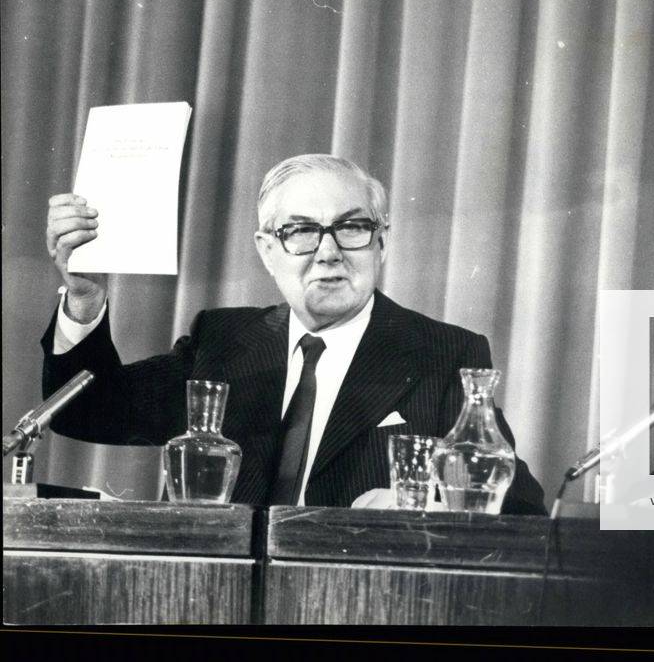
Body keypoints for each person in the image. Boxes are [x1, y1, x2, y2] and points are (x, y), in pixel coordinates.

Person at [41, 154, 546, 514]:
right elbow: (85, 412)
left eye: (352, 228)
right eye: (301, 232)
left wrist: (429, 505)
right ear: (266, 249)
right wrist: (85, 300)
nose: (329, 252)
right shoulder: (221, 341)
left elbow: (521, 509)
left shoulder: (444, 354)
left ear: (381, 244)